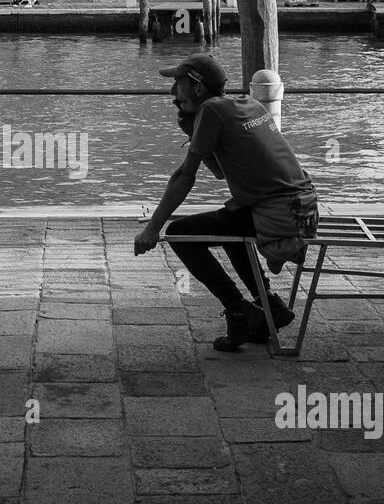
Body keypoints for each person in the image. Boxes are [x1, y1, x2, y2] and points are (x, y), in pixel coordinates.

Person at [133, 53, 319, 351]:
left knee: (180, 234)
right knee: (232, 220)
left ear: (197, 87)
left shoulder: (211, 110)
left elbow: (184, 176)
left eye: (177, 83)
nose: (172, 92)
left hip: (280, 213)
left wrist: (152, 228)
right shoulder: (247, 103)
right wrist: (195, 136)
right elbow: (221, 172)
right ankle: (268, 305)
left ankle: (238, 310)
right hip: (301, 207)